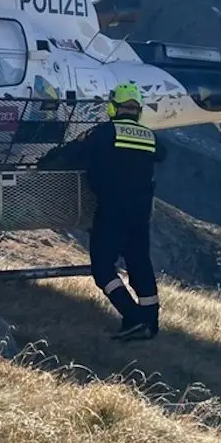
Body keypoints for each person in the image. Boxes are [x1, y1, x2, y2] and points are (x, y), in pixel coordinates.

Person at [63, 82, 166, 341]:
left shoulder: (103, 133)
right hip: (141, 213)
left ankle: (132, 317)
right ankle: (151, 323)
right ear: (138, 110)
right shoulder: (149, 137)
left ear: (112, 107)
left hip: (112, 210)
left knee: (103, 268)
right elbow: (162, 154)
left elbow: (71, 154)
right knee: (140, 264)